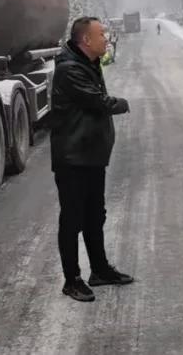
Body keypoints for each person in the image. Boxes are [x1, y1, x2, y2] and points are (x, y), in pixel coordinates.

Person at [50, 16, 135, 302]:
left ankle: (99, 270)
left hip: (90, 156)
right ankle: (71, 279)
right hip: (73, 158)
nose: (106, 37)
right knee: (72, 219)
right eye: (101, 34)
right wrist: (120, 104)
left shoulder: (88, 63)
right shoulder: (69, 69)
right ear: (86, 40)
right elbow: (96, 101)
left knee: (95, 215)